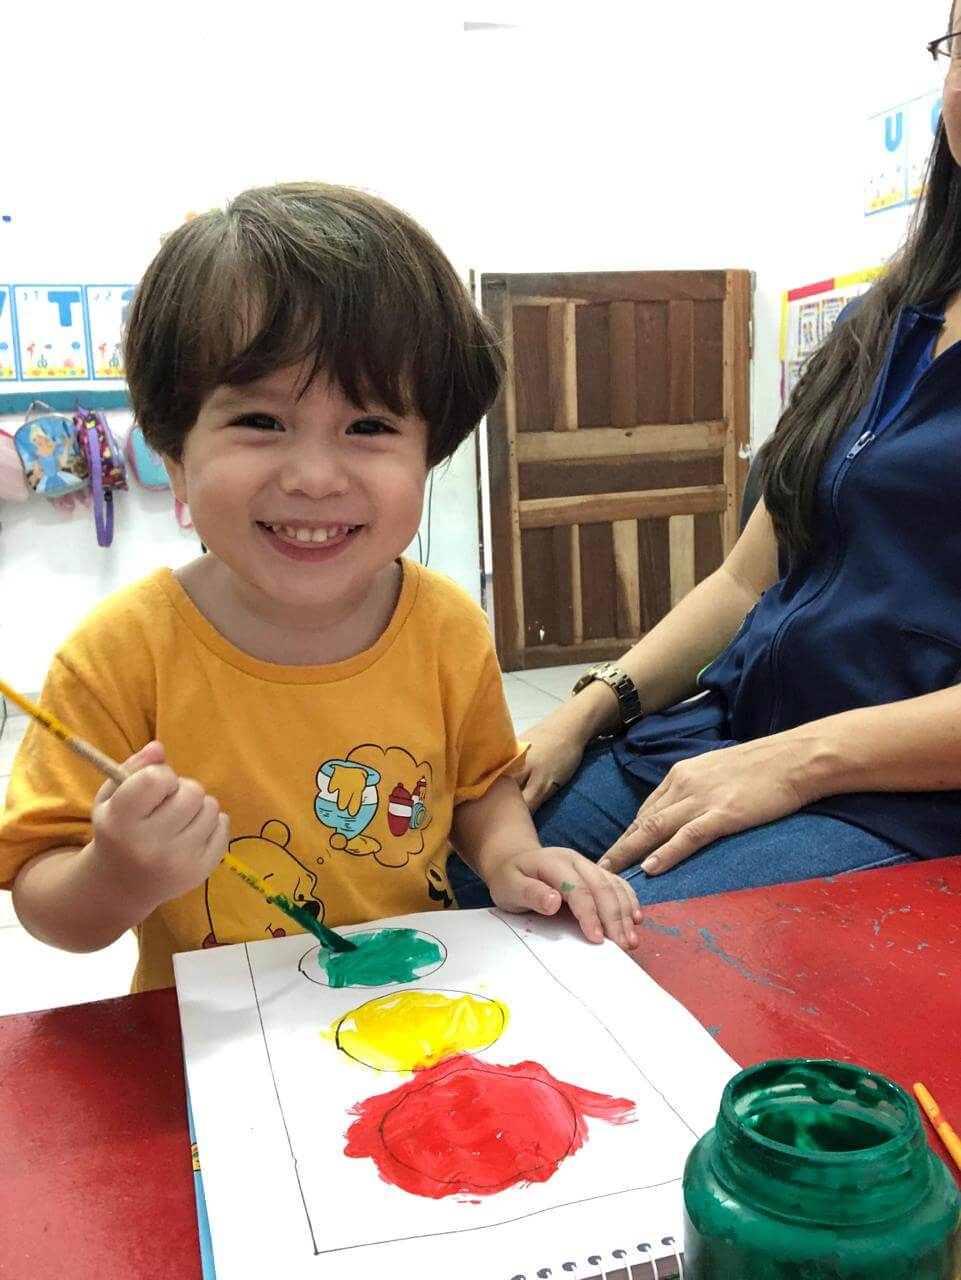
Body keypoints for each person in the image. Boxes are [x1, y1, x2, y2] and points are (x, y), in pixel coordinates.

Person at [0, 183, 640, 993]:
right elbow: (46, 907)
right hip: (216, 1044)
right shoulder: (119, 654)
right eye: (260, 422)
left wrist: (514, 856)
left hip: (411, 998)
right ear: (174, 452)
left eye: (370, 427)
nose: (312, 477)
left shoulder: (446, 627)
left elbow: (478, 790)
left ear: (428, 455)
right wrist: (120, 874)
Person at [449, 9, 961, 910]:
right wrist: (588, 709)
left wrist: (798, 763)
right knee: (469, 866)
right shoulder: (879, 323)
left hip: (896, 799)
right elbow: (741, 584)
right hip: (725, 730)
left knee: (642, 947)